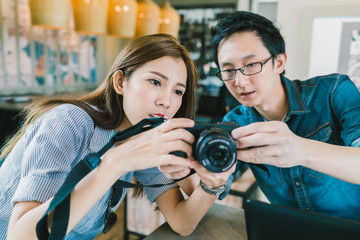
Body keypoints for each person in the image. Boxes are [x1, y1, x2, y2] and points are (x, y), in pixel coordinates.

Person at [0, 34, 235, 239]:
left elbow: (182, 222)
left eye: (178, 91)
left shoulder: (142, 136)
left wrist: (212, 184)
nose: (166, 100)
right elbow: (19, 236)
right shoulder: (68, 122)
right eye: (155, 81)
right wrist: (115, 162)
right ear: (120, 82)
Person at [210, 11, 360, 221]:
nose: (240, 82)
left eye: (251, 65)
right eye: (228, 70)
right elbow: (218, 185)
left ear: (279, 62)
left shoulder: (334, 92)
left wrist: (301, 150)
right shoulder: (236, 123)